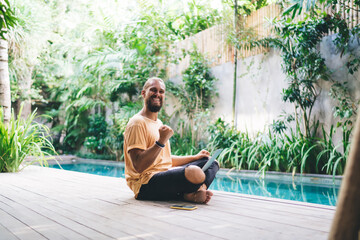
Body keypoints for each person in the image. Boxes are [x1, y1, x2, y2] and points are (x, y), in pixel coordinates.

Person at [123, 77, 219, 203]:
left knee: (212, 162)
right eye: (153, 90)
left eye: (161, 91)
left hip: (165, 175)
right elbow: (138, 166)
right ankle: (190, 192)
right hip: (145, 185)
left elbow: (166, 159)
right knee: (195, 173)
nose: (157, 94)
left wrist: (196, 157)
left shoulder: (159, 123)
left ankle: (199, 189)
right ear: (143, 93)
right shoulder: (137, 123)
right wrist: (160, 142)